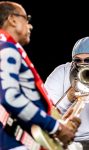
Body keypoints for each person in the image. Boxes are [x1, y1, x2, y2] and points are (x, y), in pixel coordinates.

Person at [0, 1, 81, 150]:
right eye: (26, 19)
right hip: (15, 142)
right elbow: (11, 97)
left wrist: (56, 118)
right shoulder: (6, 48)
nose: (30, 26)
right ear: (12, 19)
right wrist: (56, 127)